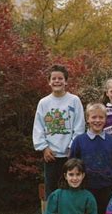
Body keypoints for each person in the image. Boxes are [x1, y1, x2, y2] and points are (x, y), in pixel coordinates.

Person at [33, 64, 85, 198]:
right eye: (54, 78)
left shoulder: (74, 100)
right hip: (51, 156)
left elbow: (79, 126)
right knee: (52, 191)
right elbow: (38, 127)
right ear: (49, 82)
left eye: (60, 78)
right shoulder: (43, 103)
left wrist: (72, 148)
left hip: (69, 155)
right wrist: (44, 148)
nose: (57, 81)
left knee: (70, 189)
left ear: (65, 81)